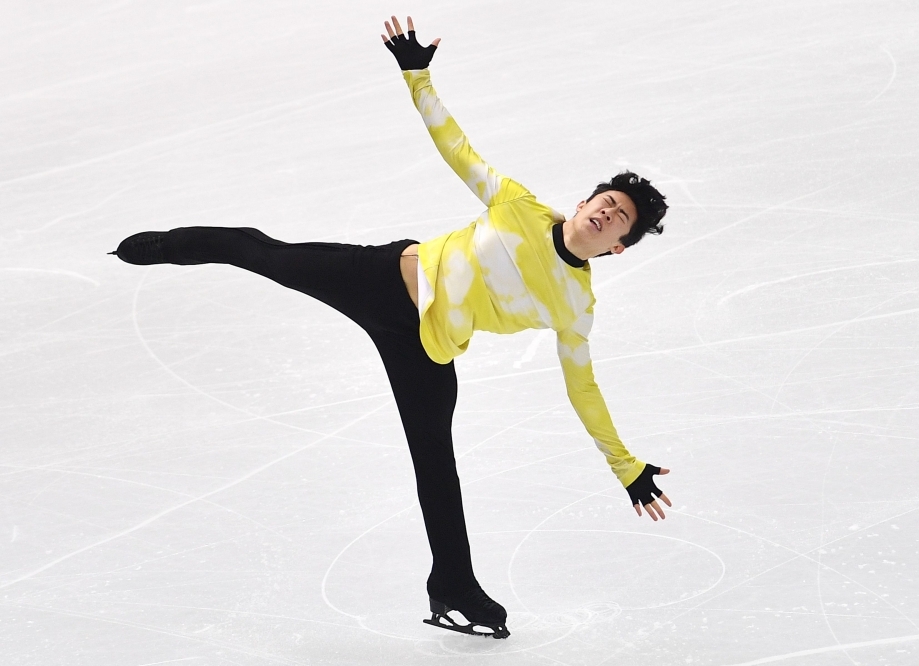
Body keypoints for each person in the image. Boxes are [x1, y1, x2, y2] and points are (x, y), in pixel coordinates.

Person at [111, 15, 671, 640]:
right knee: (261, 251)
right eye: (605, 201)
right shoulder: (517, 204)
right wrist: (417, 76)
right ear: (585, 200)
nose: (605, 213)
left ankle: (453, 588)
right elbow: (456, 146)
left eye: (619, 218)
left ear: (619, 245)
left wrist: (625, 466)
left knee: (437, 466)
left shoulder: (576, 306)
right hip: (380, 276)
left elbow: (583, 390)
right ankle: (167, 245)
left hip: (426, 348)